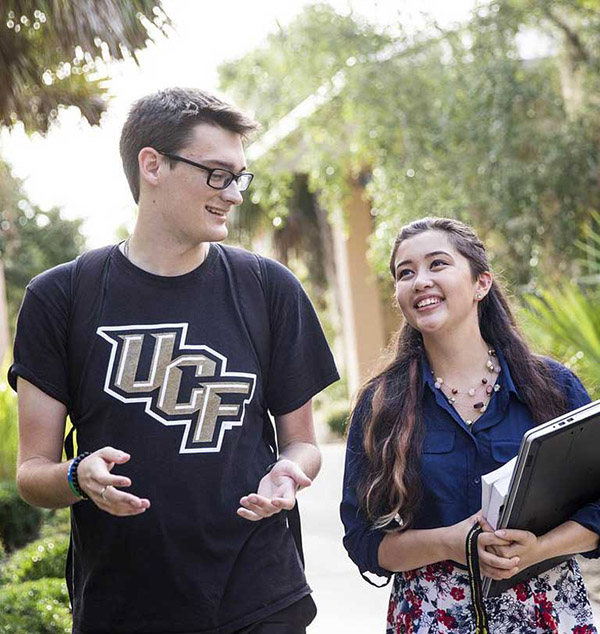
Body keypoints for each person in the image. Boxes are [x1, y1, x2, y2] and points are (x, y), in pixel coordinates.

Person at [9, 87, 339, 634]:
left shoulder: (268, 288)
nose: (234, 194)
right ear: (152, 165)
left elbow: (300, 443)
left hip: (260, 598)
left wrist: (290, 471)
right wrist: (76, 476)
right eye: (217, 174)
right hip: (123, 605)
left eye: (239, 176)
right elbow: (31, 474)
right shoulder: (60, 298)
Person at [341, 217, 599, 633]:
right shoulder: (380, 405)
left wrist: (538, 550)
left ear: (481, 284)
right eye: (405, 273)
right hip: (430, 618)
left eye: (437, 264)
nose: (419, 280)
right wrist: (451, 543)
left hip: (548, 613)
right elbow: (363, 540)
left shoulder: (553, 388)